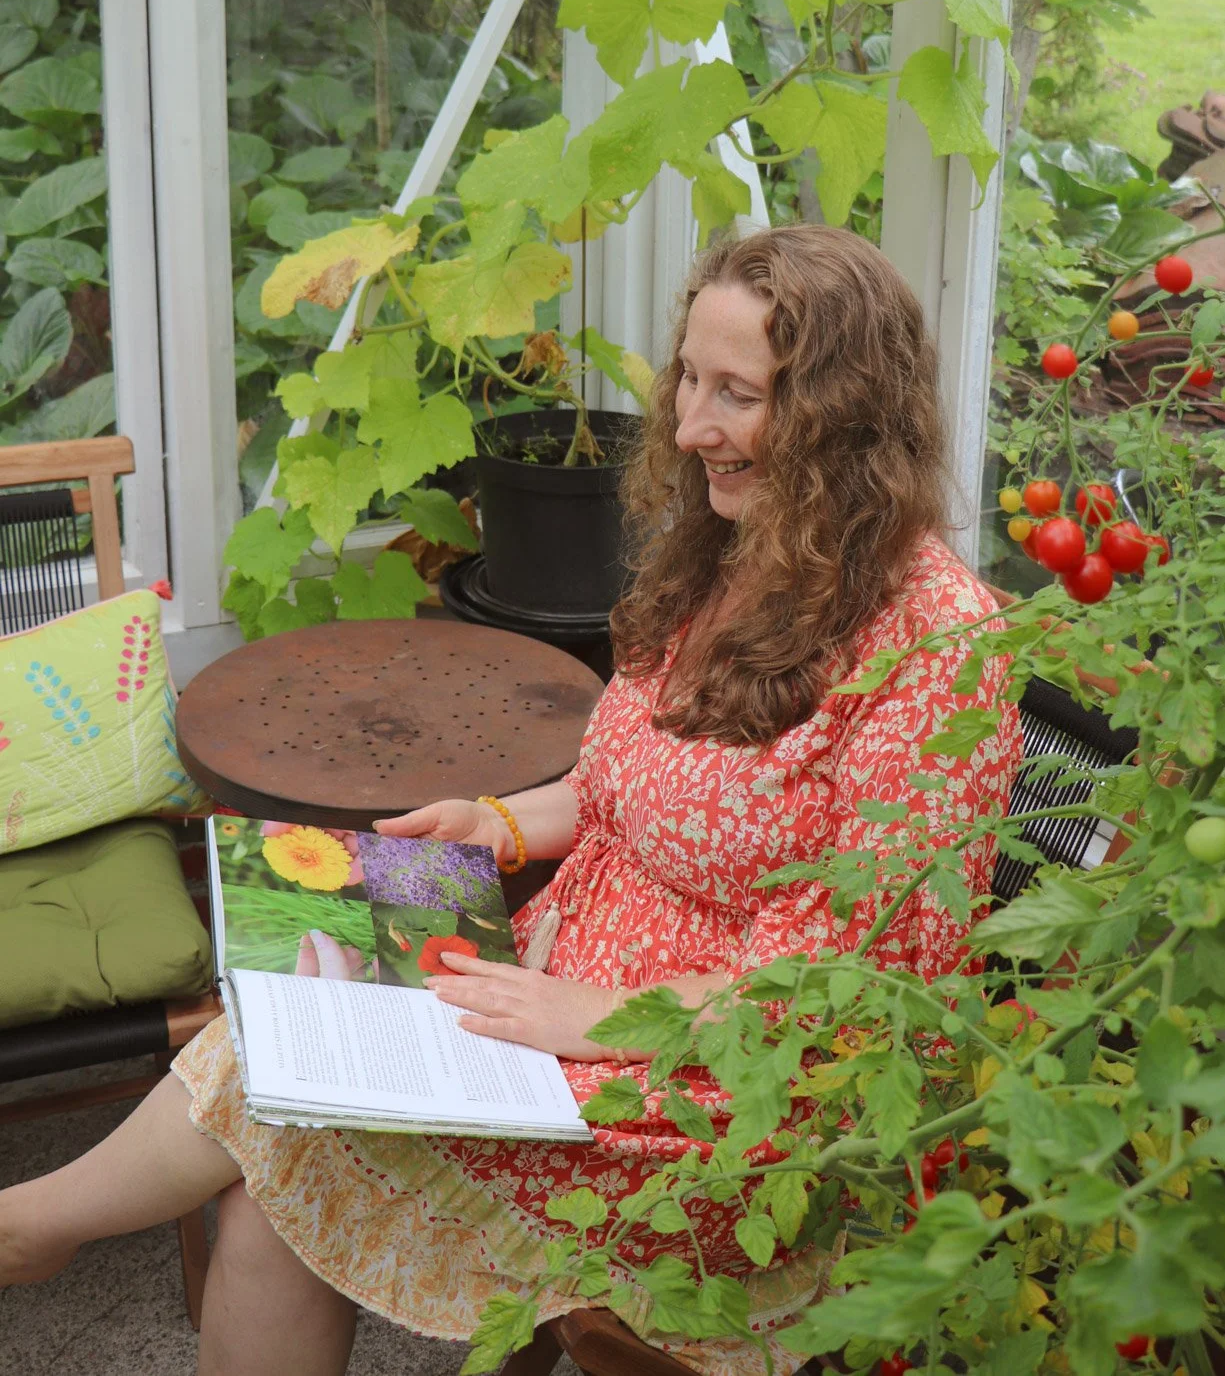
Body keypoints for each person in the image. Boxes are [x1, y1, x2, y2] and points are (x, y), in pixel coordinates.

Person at [0, 225, 1022, 1376]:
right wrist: (493, 821)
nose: (688, 427)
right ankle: (33, 1225)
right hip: (554, 972)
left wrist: (592, 1018)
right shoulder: (739, 548)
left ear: (845, 415)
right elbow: (627, 783)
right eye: (688, 376)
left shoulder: (934, 651)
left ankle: (31, 1228)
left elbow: (860, 995)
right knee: (302, 1027)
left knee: (285, 1115)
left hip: (712, 1102)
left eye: (738, 394)